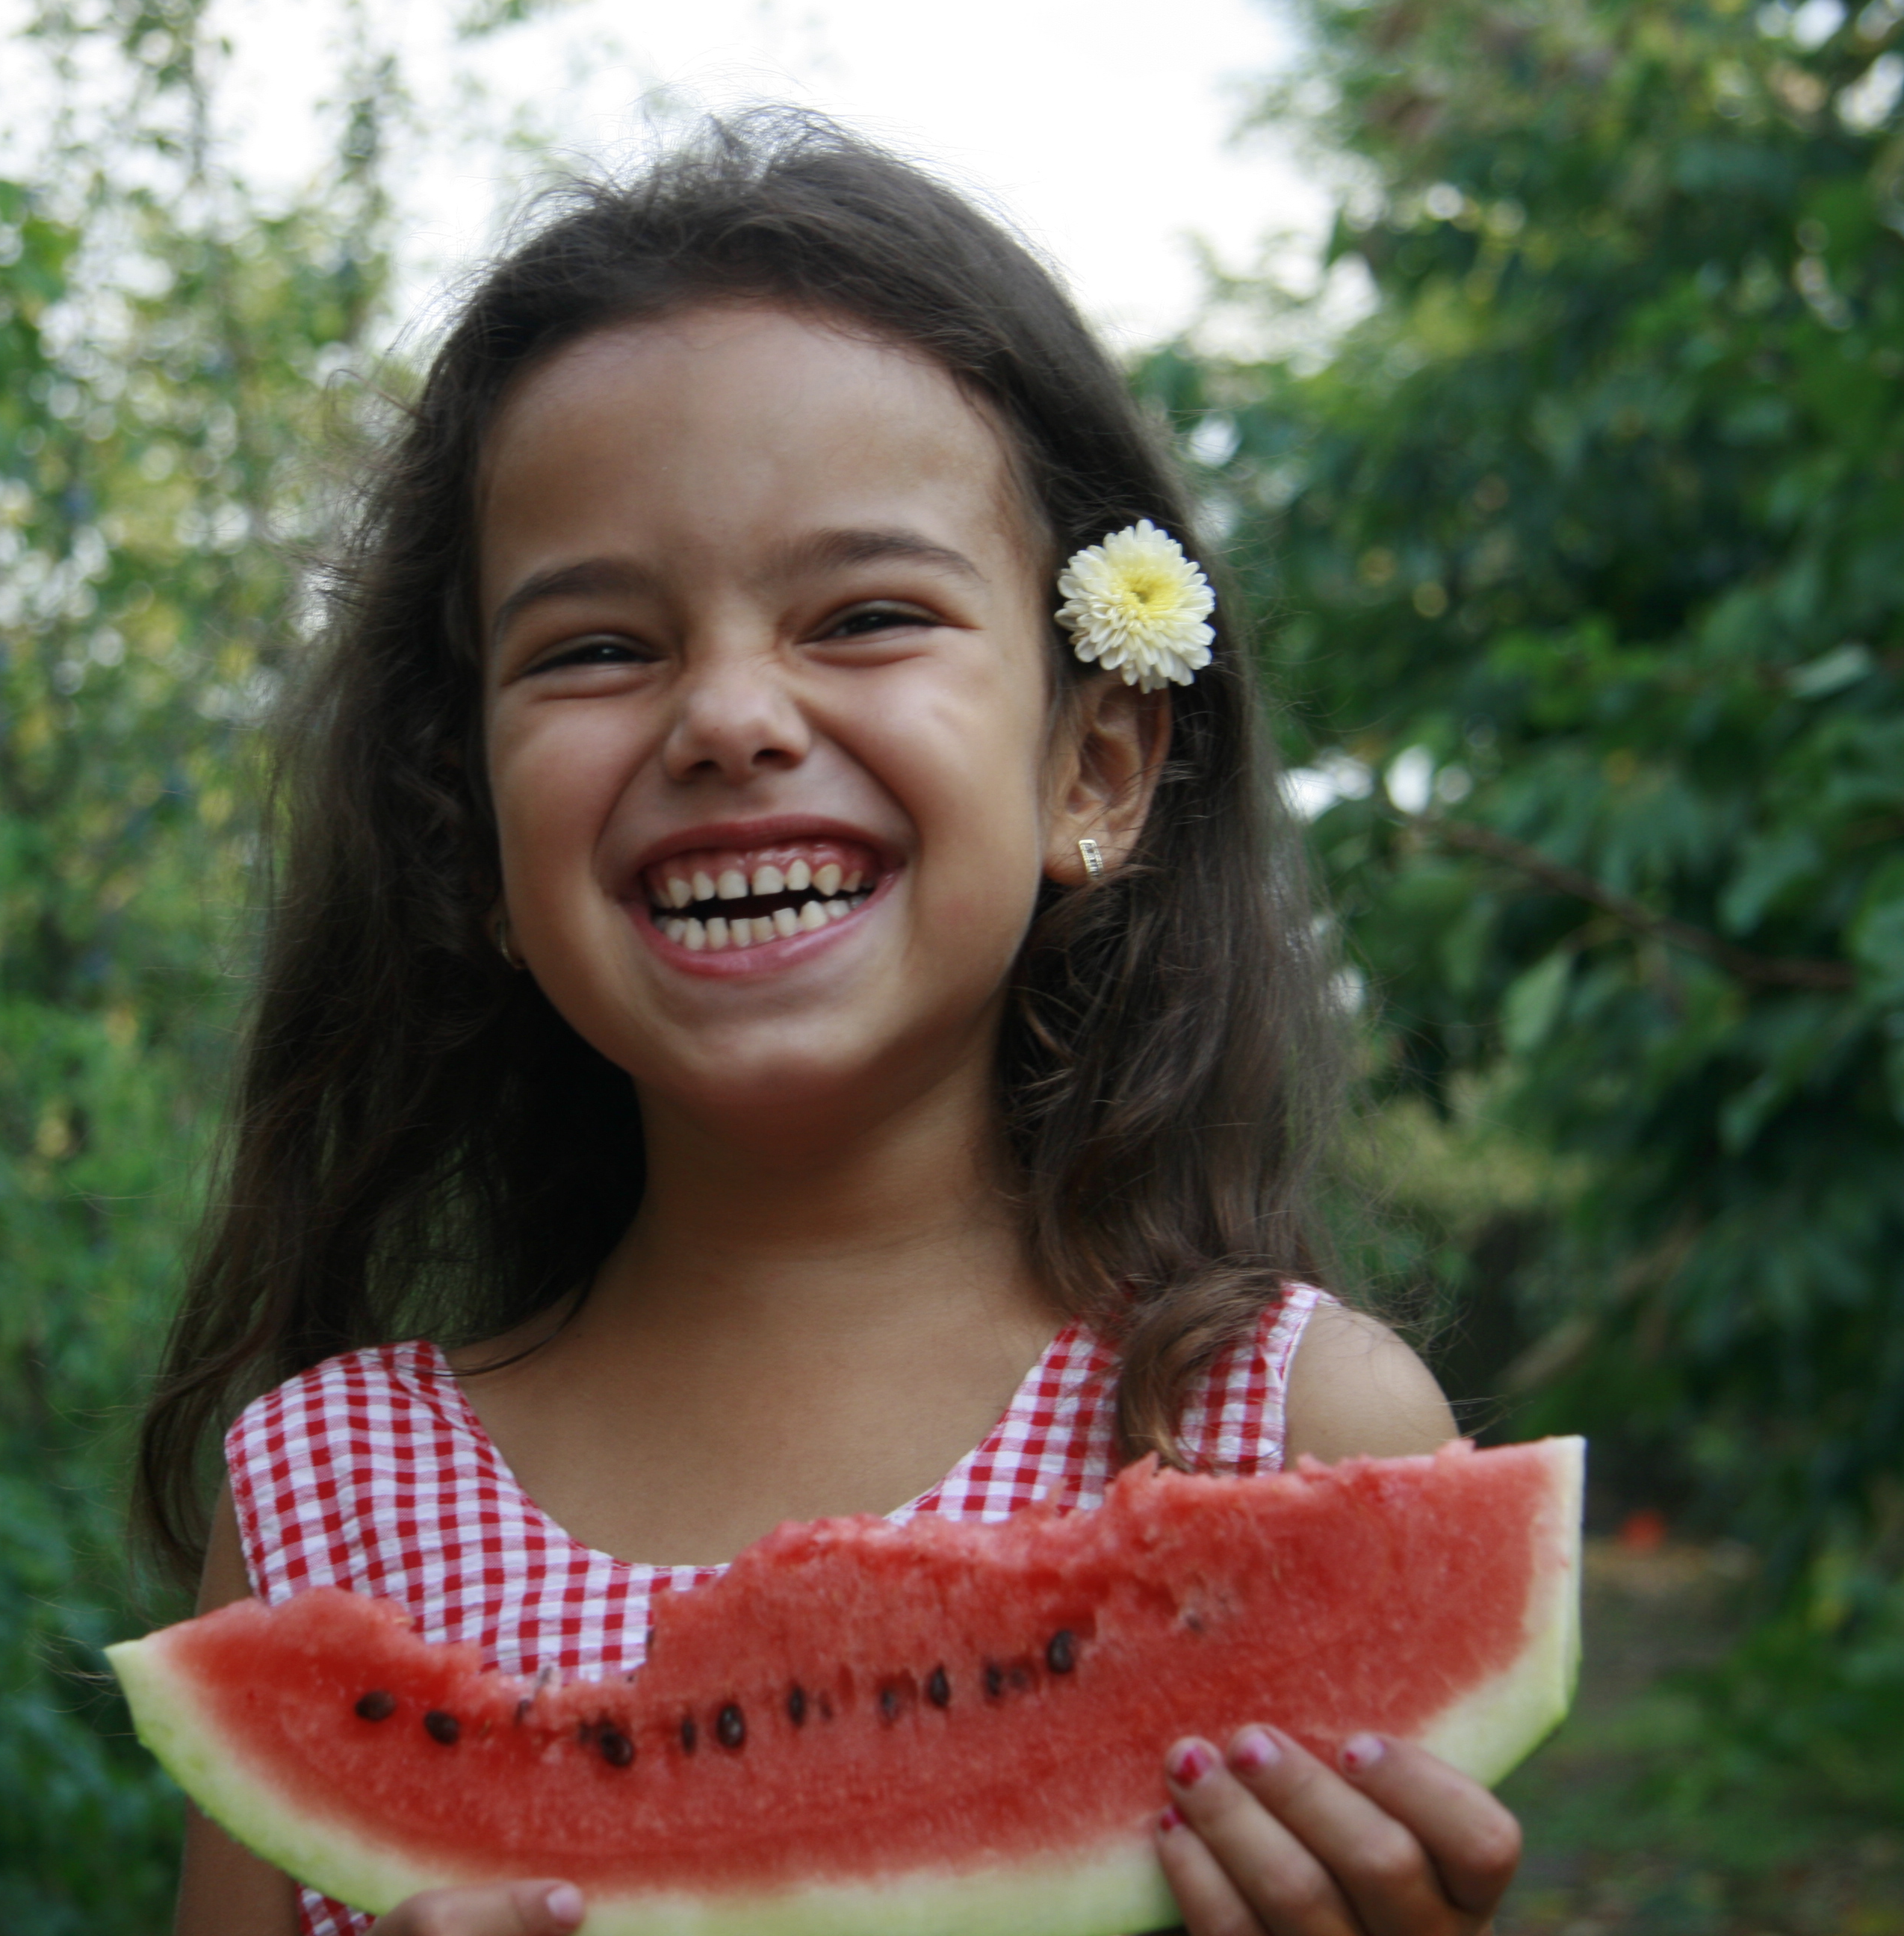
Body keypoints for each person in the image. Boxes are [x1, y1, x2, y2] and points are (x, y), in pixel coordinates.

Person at [133, 111, 1524, 1936]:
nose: (726, 715)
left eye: (863, 615)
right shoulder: (325, 1504)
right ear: (472, 834)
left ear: (1095, 765)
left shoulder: (1290, 1433)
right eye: (597, 649)